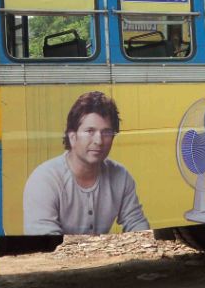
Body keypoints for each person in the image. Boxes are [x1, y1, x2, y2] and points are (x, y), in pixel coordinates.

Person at [23, 91, 150, 235]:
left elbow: (136, 223)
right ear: (72, 136)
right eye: (90, 131)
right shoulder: (45, 180)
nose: (99, 141)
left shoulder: (121, 176)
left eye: (106, 132)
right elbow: (45, 242)